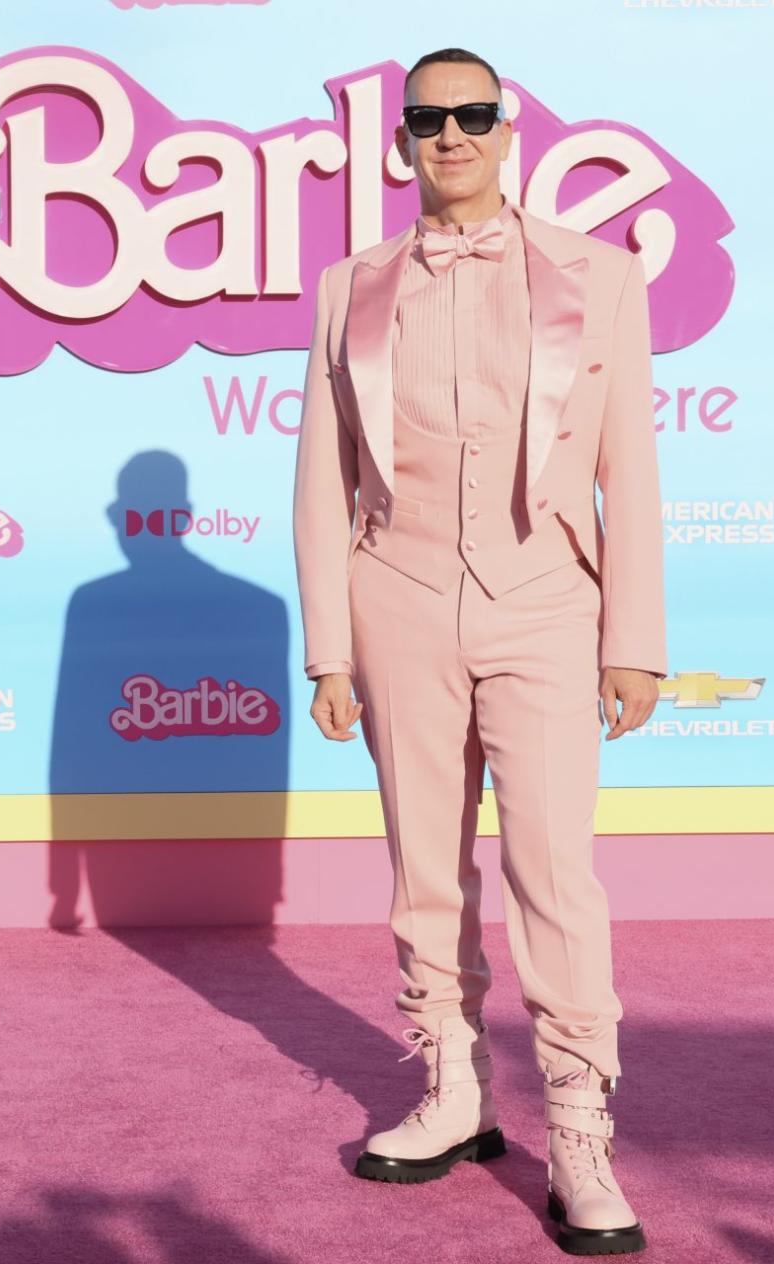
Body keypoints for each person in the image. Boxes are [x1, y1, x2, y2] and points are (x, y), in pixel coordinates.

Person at [293, 46, 667, 1256]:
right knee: (424, 870)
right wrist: (329, 647)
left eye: (472, 115)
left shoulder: (598, 276)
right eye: (426, 118)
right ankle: (454, 1089)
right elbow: (317, 480)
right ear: (400, 139)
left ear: (507, 130)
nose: (449, 135)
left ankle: (578, 1129)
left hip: (548, 601)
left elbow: (632, 473)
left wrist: (637, 641)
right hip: (394, 596)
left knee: (555, 873)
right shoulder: (349, 281)